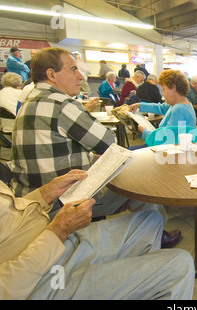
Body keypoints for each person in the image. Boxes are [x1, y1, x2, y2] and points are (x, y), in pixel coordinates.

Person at [8, 47, 181, 248]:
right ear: (51, 74)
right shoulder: (61, 104)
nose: (81, 76)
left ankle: (149, 232)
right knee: (140, 182)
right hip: (62, 204)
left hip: (29, 200)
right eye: (73, 69)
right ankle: (154, 236)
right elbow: (109, 142)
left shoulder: (30, 101)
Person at [0, 169, 195, 300]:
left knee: (151, 220)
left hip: (46, 242)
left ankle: (130, 284)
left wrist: (44, 194)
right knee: (181, 264)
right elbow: (104, 140)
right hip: (40, 280)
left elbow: (9, 218)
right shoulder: (65, 107)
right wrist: (59, 231)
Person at [129, 69, 196, 142]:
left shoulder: (179, 110)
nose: (163, 93)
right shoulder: (180, 103)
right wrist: (139, 105)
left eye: (164, 89)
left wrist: (145, 132)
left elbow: (168, 140)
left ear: (173, 88)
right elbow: (160, 107)